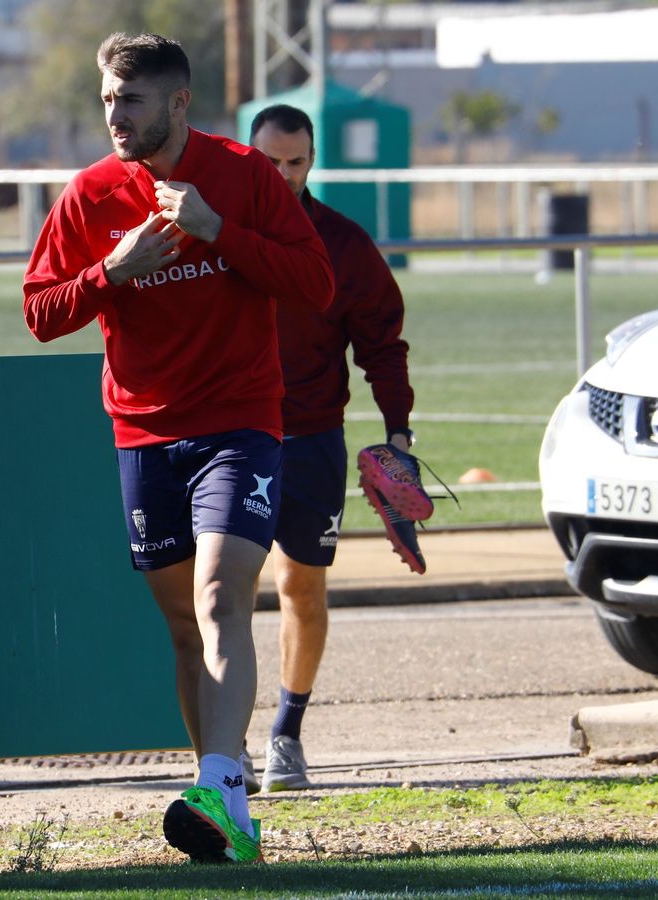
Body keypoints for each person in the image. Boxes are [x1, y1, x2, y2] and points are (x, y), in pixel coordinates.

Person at [22, 34, 333, 863]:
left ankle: (223, 788)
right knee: (184, 633)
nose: (116, 118)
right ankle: (225, 803)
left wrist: (218, 229)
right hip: (144, 432)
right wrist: (109, 274)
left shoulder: (243, 177)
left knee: (222, 599)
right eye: (107, 102)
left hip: (239, 424)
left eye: (131, 101)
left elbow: (315, 285)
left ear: (179, 103)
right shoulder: (89, 196)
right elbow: (41, 313)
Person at [247, 104, 418, 793]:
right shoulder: (214, 233)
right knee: (216, 592)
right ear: (247, 156)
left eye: (296, 162)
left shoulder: (343, 244)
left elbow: (382, 342)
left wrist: (397, 431)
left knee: (301, 587)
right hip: (229, 437)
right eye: (269, 162)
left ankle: (286, 733)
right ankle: (219, 746)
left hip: (311, 438)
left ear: (312, 161)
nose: (284, 175)